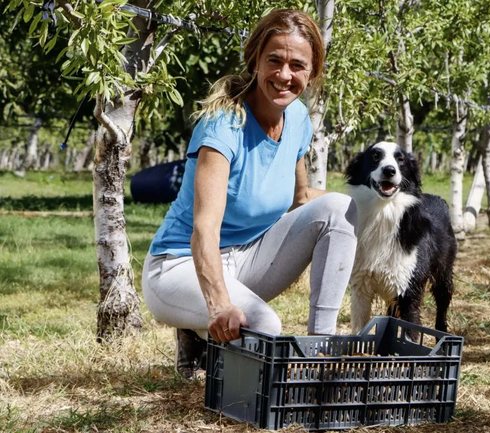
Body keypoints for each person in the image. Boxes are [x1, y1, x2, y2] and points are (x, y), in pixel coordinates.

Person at [141, 9, 357, 379]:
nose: (284, 75)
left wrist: (367, 208)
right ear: (255, 59)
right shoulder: (224, 125)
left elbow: (302, 197)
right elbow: (204, 228)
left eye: (297, 65)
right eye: (274, 60)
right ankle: (201, 327)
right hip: (180, 265)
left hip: (248, 258)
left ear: (313, 71)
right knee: (265, 325)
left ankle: (321, 355)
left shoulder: (299, 117)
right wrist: (219, 304)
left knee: (341, 207)